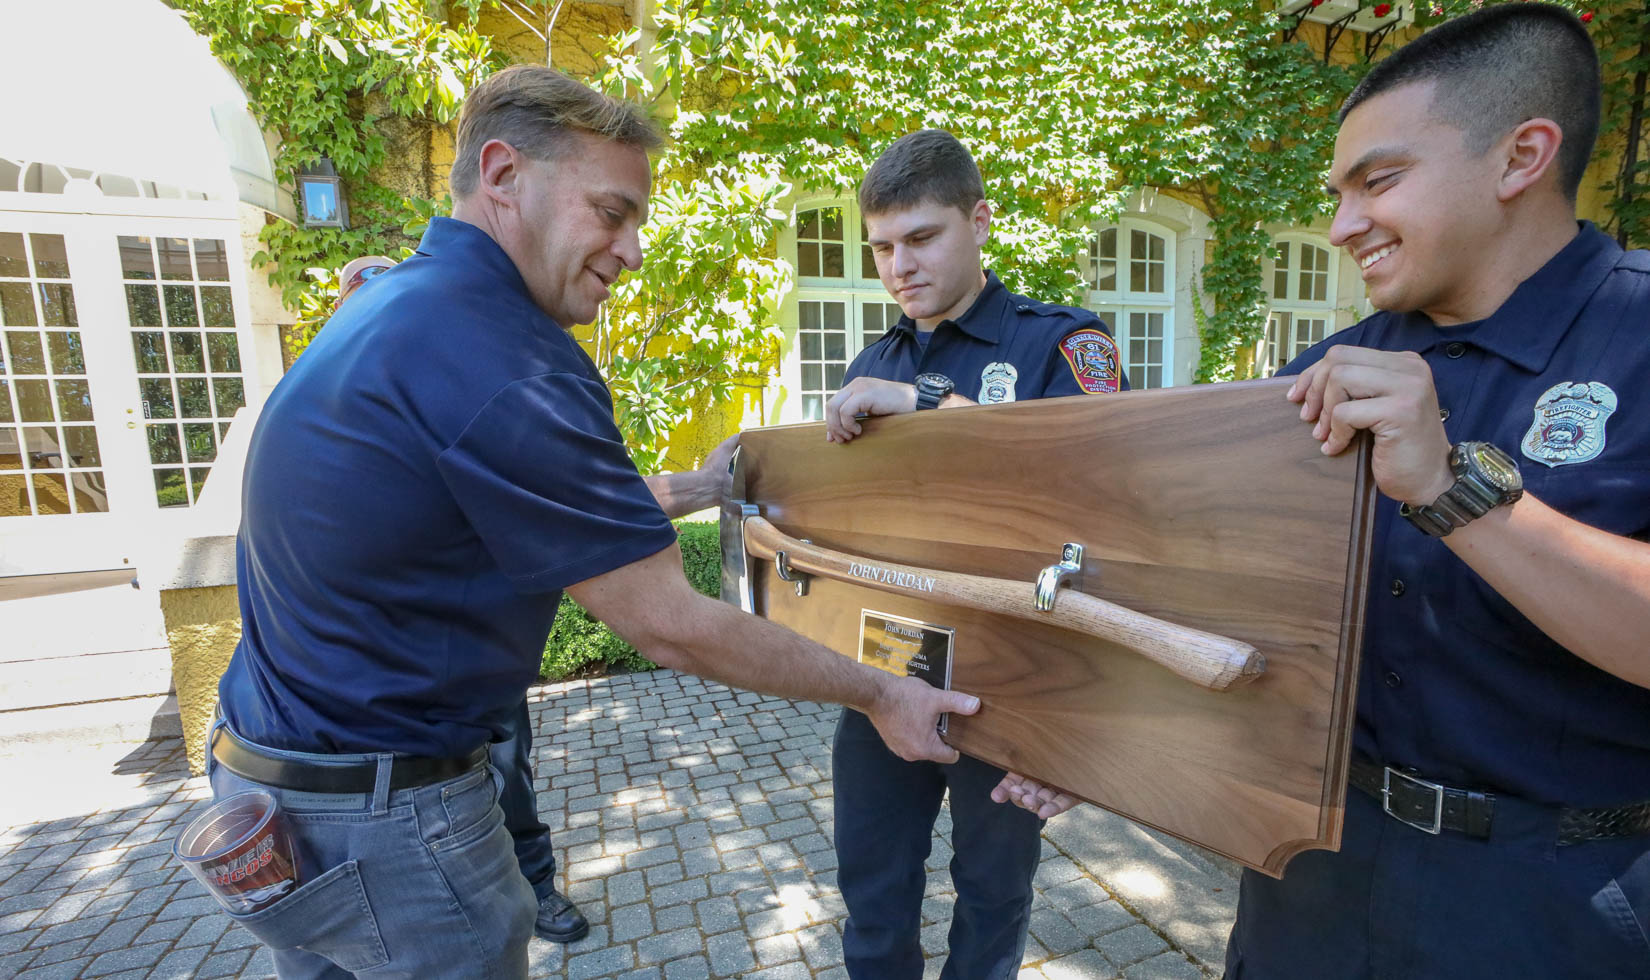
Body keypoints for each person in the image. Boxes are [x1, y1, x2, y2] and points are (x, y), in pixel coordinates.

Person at [209, 66, 979, 979]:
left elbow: (541, 513)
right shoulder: (511, 361)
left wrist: (703, 487)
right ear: (502, 176)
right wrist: (885, 695)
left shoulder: (389, 303)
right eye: (612, 211)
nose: (634, 246)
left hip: (270, 783)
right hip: (392, 824)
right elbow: (673, 624)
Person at [984, 5, 1649, 975]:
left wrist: (1454, 487)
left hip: (1555, 903)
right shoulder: (1332, 363)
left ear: (1522, 158)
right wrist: (1097, 733)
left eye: (1379, 181)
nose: (1341, 226)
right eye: (1338, 192)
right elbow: (1220, 585)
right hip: (1312, 871)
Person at [820, 129, 1128, 979]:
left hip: (1009, 675)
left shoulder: (1062, 343)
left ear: (980, 220)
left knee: (993, 896)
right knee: (873, 894)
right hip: (884, 665)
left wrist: (922, 403)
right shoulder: (872, 360)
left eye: (922, 238)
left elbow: (1098, 491)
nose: (898, 265)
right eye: (881, 246)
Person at [333, 249, 592, 944]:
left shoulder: (454, 387)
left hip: (479, 659)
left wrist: (695, 487)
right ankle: (508, 887)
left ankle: (536, 886)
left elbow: (574, 508)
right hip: (398, 715)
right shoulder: (349, 403)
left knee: (510, 775)